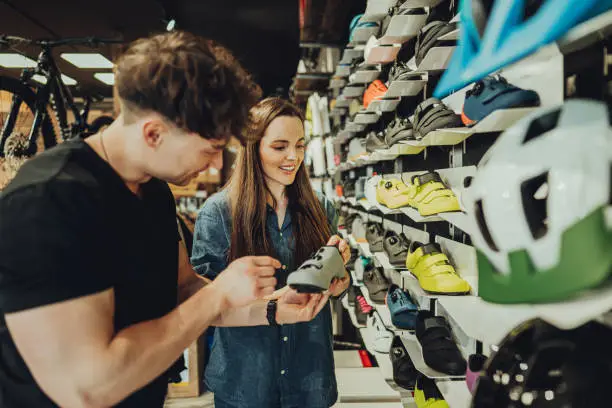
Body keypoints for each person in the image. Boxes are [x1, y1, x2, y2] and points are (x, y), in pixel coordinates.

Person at [0, 31, 330, 408]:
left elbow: (185, 289)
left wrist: (272, 308)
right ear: (153, 133)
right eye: (210, 150)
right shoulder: (48, 202)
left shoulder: (153, 191)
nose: (216, 165)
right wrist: (220, 292)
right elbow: (89, 388)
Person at [191, 97, 352, 408]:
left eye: (300, 145)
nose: (294, 156)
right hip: (246, 381)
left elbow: (339, 289)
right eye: (280, 146)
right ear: (254, 148)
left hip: (309, 378)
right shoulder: (219, 213)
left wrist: (338, 280)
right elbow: (203, 303)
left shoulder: (321, 208)